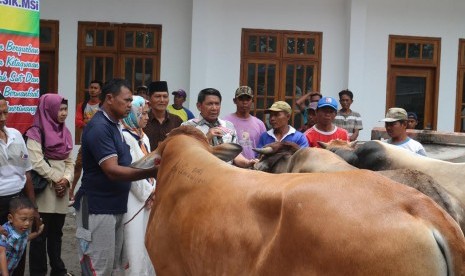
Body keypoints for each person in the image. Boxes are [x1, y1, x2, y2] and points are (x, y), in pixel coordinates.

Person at [73, 78, 157, 275]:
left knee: (114, 267)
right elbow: (112, 170)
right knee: (98, 267)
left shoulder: (116, 125)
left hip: (115, 206)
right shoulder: (99, 127)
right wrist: (152, 172)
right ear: (109, 98)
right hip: (97, 207)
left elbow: (127, 163)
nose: (130, 105)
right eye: (126, 100)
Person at [25, 93, 75, 276]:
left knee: (57, 234)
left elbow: (70, 161)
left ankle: (58, 270)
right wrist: (57, 180)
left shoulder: (65, 132)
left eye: (65, 109)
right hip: (45, 191)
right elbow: (36, 162)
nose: (63, 113)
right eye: (60, 109)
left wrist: (67, 180)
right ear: (48, 109)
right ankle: (38, 272)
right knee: (40, 235)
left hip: (60, 190)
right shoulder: (35, 132)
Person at [0, 93, 40, 276]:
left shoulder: (16, 135)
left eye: (5, 112)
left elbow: (27, 173)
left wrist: (34, 208)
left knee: (18, 249)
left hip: (19, 202)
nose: (2, 118)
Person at [121, 96, 155, 276]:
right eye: (143, 114)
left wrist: (153, 189)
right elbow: (131, 170)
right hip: (132, 198)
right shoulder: (125, 137)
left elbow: (150, 164)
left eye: (147, 114)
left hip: (147, 196)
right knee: (133, 243)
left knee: (145, 242)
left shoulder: (144, 137)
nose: (147, 117)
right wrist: (148, 193)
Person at [182, 88, 256, 168]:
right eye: (210, 104)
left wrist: (247, 162)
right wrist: (206, 138)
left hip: (226, 176)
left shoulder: (228, 126)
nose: (214, 108)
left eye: (217, 104)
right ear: (199, 106)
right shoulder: (187, 127)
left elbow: (235, 155)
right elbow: (186, 156)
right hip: (200, 176)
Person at [71, 80, 102, 203]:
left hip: (99, 142)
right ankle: (71, 191)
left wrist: (87, 123)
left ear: (100, 91)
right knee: (78, 165)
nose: (93, 90)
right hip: (86, 141)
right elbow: (77, 121)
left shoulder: (102, 105)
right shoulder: (82, 105)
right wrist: (91, 123)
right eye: (91, 87)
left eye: (95, 88)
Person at [0, 197, 44, 276]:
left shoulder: (22, 230)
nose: (27, 223)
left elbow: (24, 239)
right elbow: (1, 253)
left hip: (10, 269)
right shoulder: (5, 232)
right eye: (23, 219)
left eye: (31, 219)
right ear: (10, 218)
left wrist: (37, 233)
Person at [224, 86, 266, 159]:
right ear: (234, 101)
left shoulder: (259, 124)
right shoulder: (226, 122)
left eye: (248, 99)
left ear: (252, 101)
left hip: (254, 166)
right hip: (232, 167)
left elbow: (264, 147)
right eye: (241, 99)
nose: (244, 102)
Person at [143, 81, 183, 150]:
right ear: (149, 98)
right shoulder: (143, 121)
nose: (162, 100)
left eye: (165, 96)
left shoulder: (177, 121)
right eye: (158, 96)